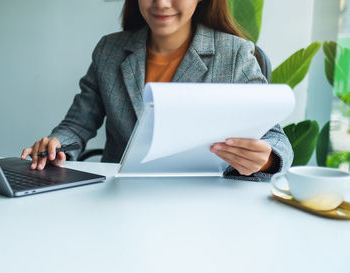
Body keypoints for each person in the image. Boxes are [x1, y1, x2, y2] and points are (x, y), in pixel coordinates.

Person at [21, 0, 294, 181]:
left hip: (203, 203)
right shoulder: (110, 50)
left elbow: (275, 138)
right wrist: (57, 144)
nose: (161, 3)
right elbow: (77, 125)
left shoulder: (234, 54)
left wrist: (266, 158)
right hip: (120, 199)